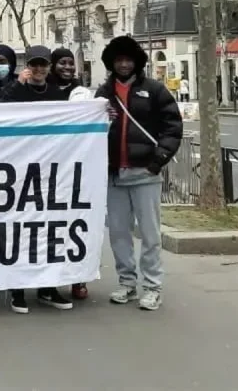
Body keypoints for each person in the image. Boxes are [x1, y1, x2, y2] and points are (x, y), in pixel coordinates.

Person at [95, 36, 182, 311]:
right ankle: (127, 283)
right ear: (111, 62)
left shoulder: (154, 90)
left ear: (136, 62)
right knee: (119, 233)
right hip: (114, 175)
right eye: (118, 60)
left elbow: (172, 126)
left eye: (128, 59)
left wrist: (157, 161)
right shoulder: (102, 94)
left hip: (145, 173)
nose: (123, 64)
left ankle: (153, 287)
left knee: (149, 233)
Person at [2, 45, 73, 314]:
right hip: (19, 171)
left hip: (49, 171)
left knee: (47, 230)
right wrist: (15, 87)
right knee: (19, 229)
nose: (40, 69)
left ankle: (47, 286)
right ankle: (17, 289)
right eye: (35, 64)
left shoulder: (57, 95)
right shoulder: (16, 92)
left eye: (44, 64)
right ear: (28, 67)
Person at [49, 48, 89, 301]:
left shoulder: (82, 93)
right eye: (62, 63)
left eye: (70, 63)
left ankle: (77, 278)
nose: (67, 67)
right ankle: (51, 279)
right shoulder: (44, 91)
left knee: (75, 224)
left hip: (75, 168)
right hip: (49, 168)